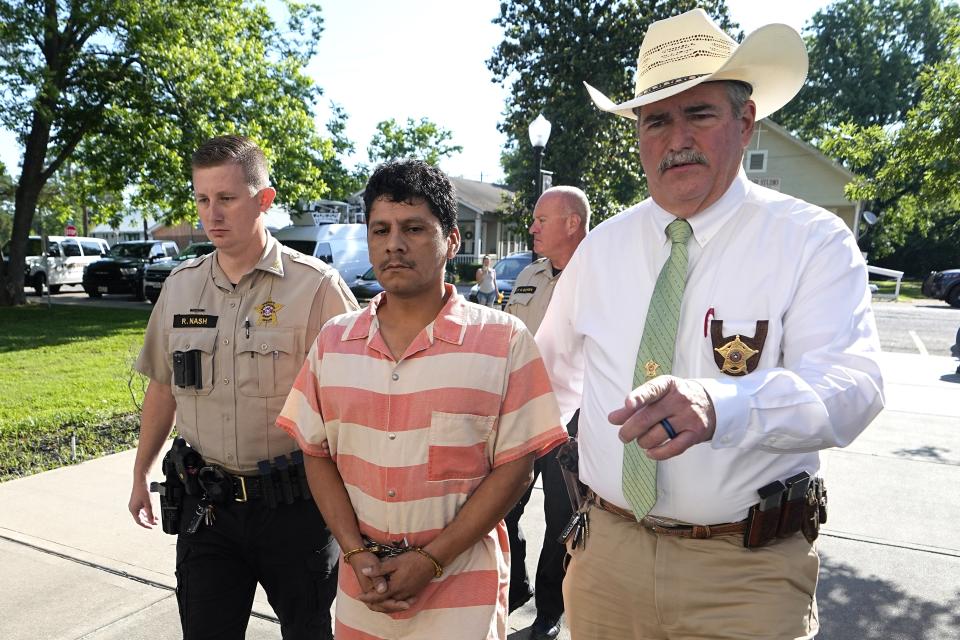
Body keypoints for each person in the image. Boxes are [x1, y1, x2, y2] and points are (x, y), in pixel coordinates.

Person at [536, 9, 885, 639]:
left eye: (698, 114)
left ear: (745, 121)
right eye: (656, 120)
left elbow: (852, 385)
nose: (676, 140)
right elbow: (546, 381)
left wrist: (723, 405)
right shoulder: (603, 247)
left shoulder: (811, 242)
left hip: (746, 573)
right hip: (606, 555)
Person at [275, 159, 568, 640]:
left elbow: (516, 469)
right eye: (380, 229)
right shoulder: (334, 342)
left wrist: (430, 561)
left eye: (413, 228)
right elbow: (316, 452)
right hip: (362, 592)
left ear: (452, 239)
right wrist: (354, 552)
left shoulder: (503, 341)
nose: (394, 243)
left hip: (461, 599)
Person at [128, 134, 358, 640]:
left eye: (227, 198)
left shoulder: (316, 288)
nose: (212, 214)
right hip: (207, 508)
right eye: (203, 200)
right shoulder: (180, 287)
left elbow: (357, 404)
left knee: (308, 632)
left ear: (264, 199)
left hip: (295, 510)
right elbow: (163, 389)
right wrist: (141, 471)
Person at [502, 186, 589, 640]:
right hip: (521, 410)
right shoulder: (529, 275)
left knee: (560, 518)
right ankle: (514, 588)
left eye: (541, 219)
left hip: (574, 418)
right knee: (503, 506)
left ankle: (548, 614)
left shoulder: (602, 277)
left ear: (572, 223)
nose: (532, 227)